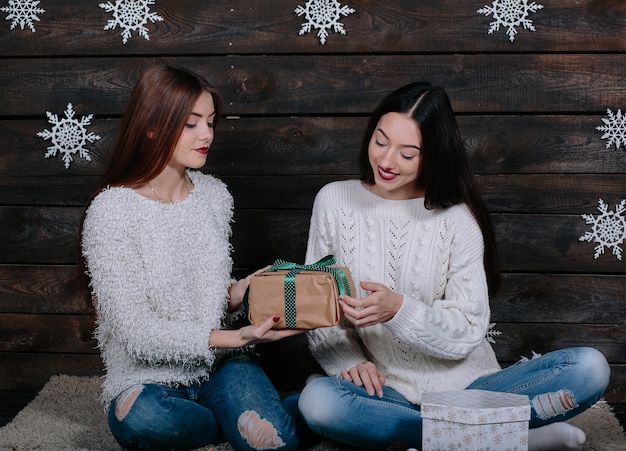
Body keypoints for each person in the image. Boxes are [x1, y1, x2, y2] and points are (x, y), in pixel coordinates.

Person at [296, 82, 611, 450]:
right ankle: (511, 437)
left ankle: (456, 433)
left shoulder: (457, 219)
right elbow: (314, 307)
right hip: (387, 393)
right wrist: (346, 360)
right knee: (319, 402)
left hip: (473, 390)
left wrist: (399, 309)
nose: (386, 161)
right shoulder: (334, 201)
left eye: (407, 153)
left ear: (432, 156)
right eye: (381, 142)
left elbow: (466, 330)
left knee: (589, 368)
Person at [80, 65, 303, 451]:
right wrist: (235, 337)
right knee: (142, 418)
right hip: (148, 380)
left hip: (222, 366)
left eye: (211, 123)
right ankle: (227, 422)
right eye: (191, 124)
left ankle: (299, 407)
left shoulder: (214, 196)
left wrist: (244, 291)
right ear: (152, 127)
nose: (207, 135)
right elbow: (135, 332)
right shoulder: (111, 211)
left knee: (274, 442)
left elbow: (208, 301)